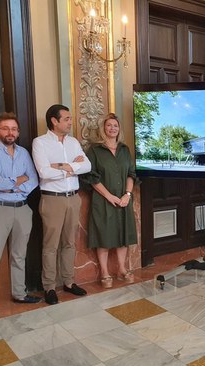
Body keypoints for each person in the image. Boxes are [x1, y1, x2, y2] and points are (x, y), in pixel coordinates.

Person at [0, 112, 41, 320]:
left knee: (19, 254)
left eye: (14, 129)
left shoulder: (24, 153)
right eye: (6, 128)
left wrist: (15, 185)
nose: (10, 132)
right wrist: (19, 180)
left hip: (22, 208)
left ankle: (19, 293)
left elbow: (33, 180)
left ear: (18, 132)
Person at [32, 104, 91, 305]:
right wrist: (73, 168)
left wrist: (63, 166)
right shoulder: (39, 143)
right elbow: (44, 173)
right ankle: (49, 287)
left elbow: (87, 166)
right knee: (50, 245)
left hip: (73, 198)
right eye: (66, 118)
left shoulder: (73, 142)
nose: (70, 122)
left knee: (69, 243)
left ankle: (68, 282)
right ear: (54, 121)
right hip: (52, 199)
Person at [84, 113, 137, 288]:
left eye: (115, 125)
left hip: (123, 200)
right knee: (104, 236)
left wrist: (127, 195)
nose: (112, 128)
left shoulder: (125, 149)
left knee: (123, 235)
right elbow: (92, 177)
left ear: (119, 129)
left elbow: (131, 174)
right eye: (109, 125)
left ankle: (122, 269)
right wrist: (109, 196)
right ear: (103, 128)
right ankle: (105, 273)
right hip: (103, 200)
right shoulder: (94, 150)